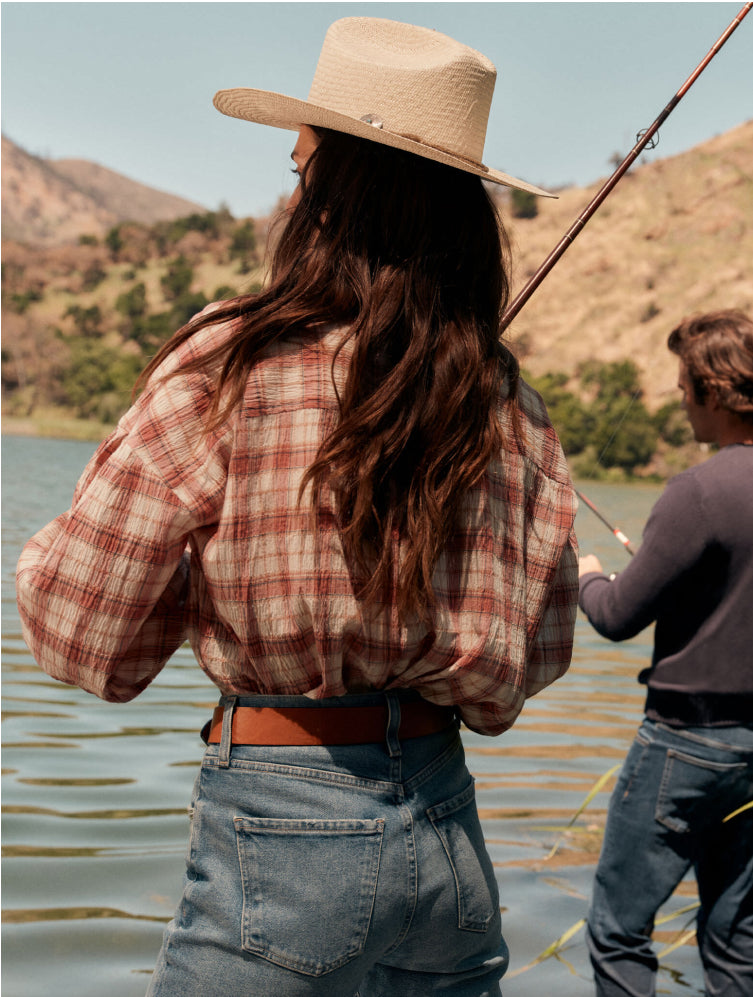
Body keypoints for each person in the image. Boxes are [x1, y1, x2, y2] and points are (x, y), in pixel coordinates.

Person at [16, 17, 579, 997]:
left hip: (281, 829)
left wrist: (195, 585)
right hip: (450, 842)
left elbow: (83, 636)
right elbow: (533, 662)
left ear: (335, 192)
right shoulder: (506, 399)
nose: (290, 190)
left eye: (302, 165)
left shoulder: (234, 357)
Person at [578, 309, 753, 997]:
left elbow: (617, 617)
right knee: (737, 941)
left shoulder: (696, 492)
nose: (678, 399)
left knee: (619, 931)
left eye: (683, 385)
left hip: (685, 745)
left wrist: (588, 574)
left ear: (712, 389)